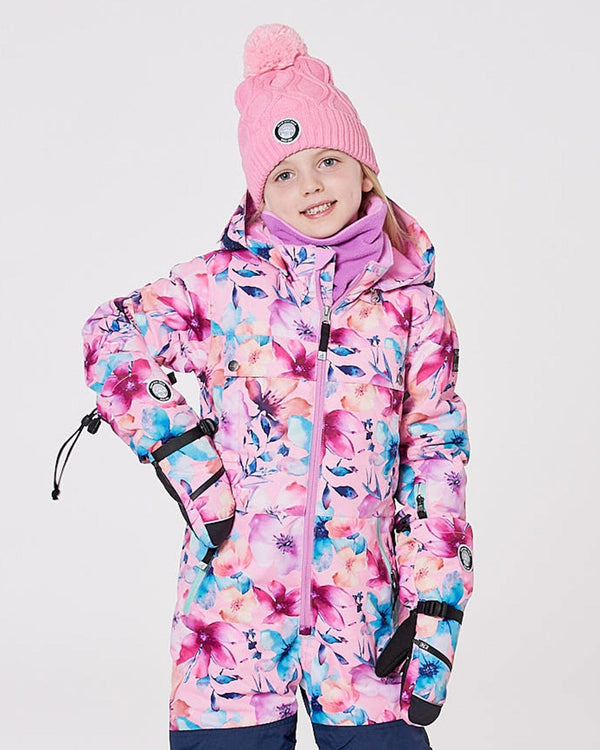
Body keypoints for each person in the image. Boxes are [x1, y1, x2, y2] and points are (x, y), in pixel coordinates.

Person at [82, 23, 473, 750]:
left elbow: (436, 460)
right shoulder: (220, 286)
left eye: (328, 160)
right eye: (284, 174)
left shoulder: (414, 308)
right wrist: (186, 458)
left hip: (364, 618)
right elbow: (111, 335)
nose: (311, 185)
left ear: (365, 171)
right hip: (231, 618)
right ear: (261, 195)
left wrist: (437, 605)